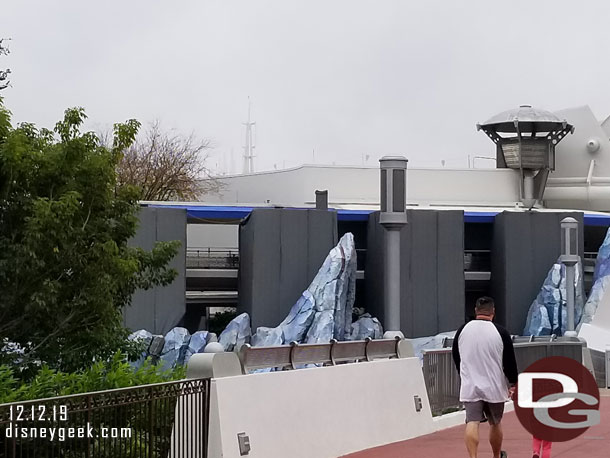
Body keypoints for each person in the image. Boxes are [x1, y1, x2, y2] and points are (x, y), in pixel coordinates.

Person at [452, 296, 518, 458]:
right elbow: (509, 360)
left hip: (471, 385)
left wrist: (464, 374)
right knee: (495, 423)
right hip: (494, 386)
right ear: (493, 312)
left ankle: (473, 457)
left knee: (472, 421)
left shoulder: (462, 330)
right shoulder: (501, 332)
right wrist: (513, 383)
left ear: (476, 311)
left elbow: (456, 355)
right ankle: (496, 455)